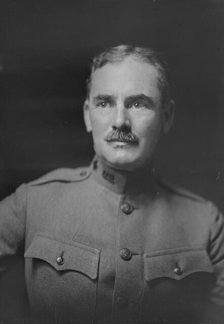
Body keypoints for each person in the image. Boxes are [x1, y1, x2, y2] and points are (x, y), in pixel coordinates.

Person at [0, 44, 223, 324]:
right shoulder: (31, 202)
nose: (120, 121)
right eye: (104, 103)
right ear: (86, 115)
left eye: (138, 103)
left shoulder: (206, 223)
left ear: (166, 116)